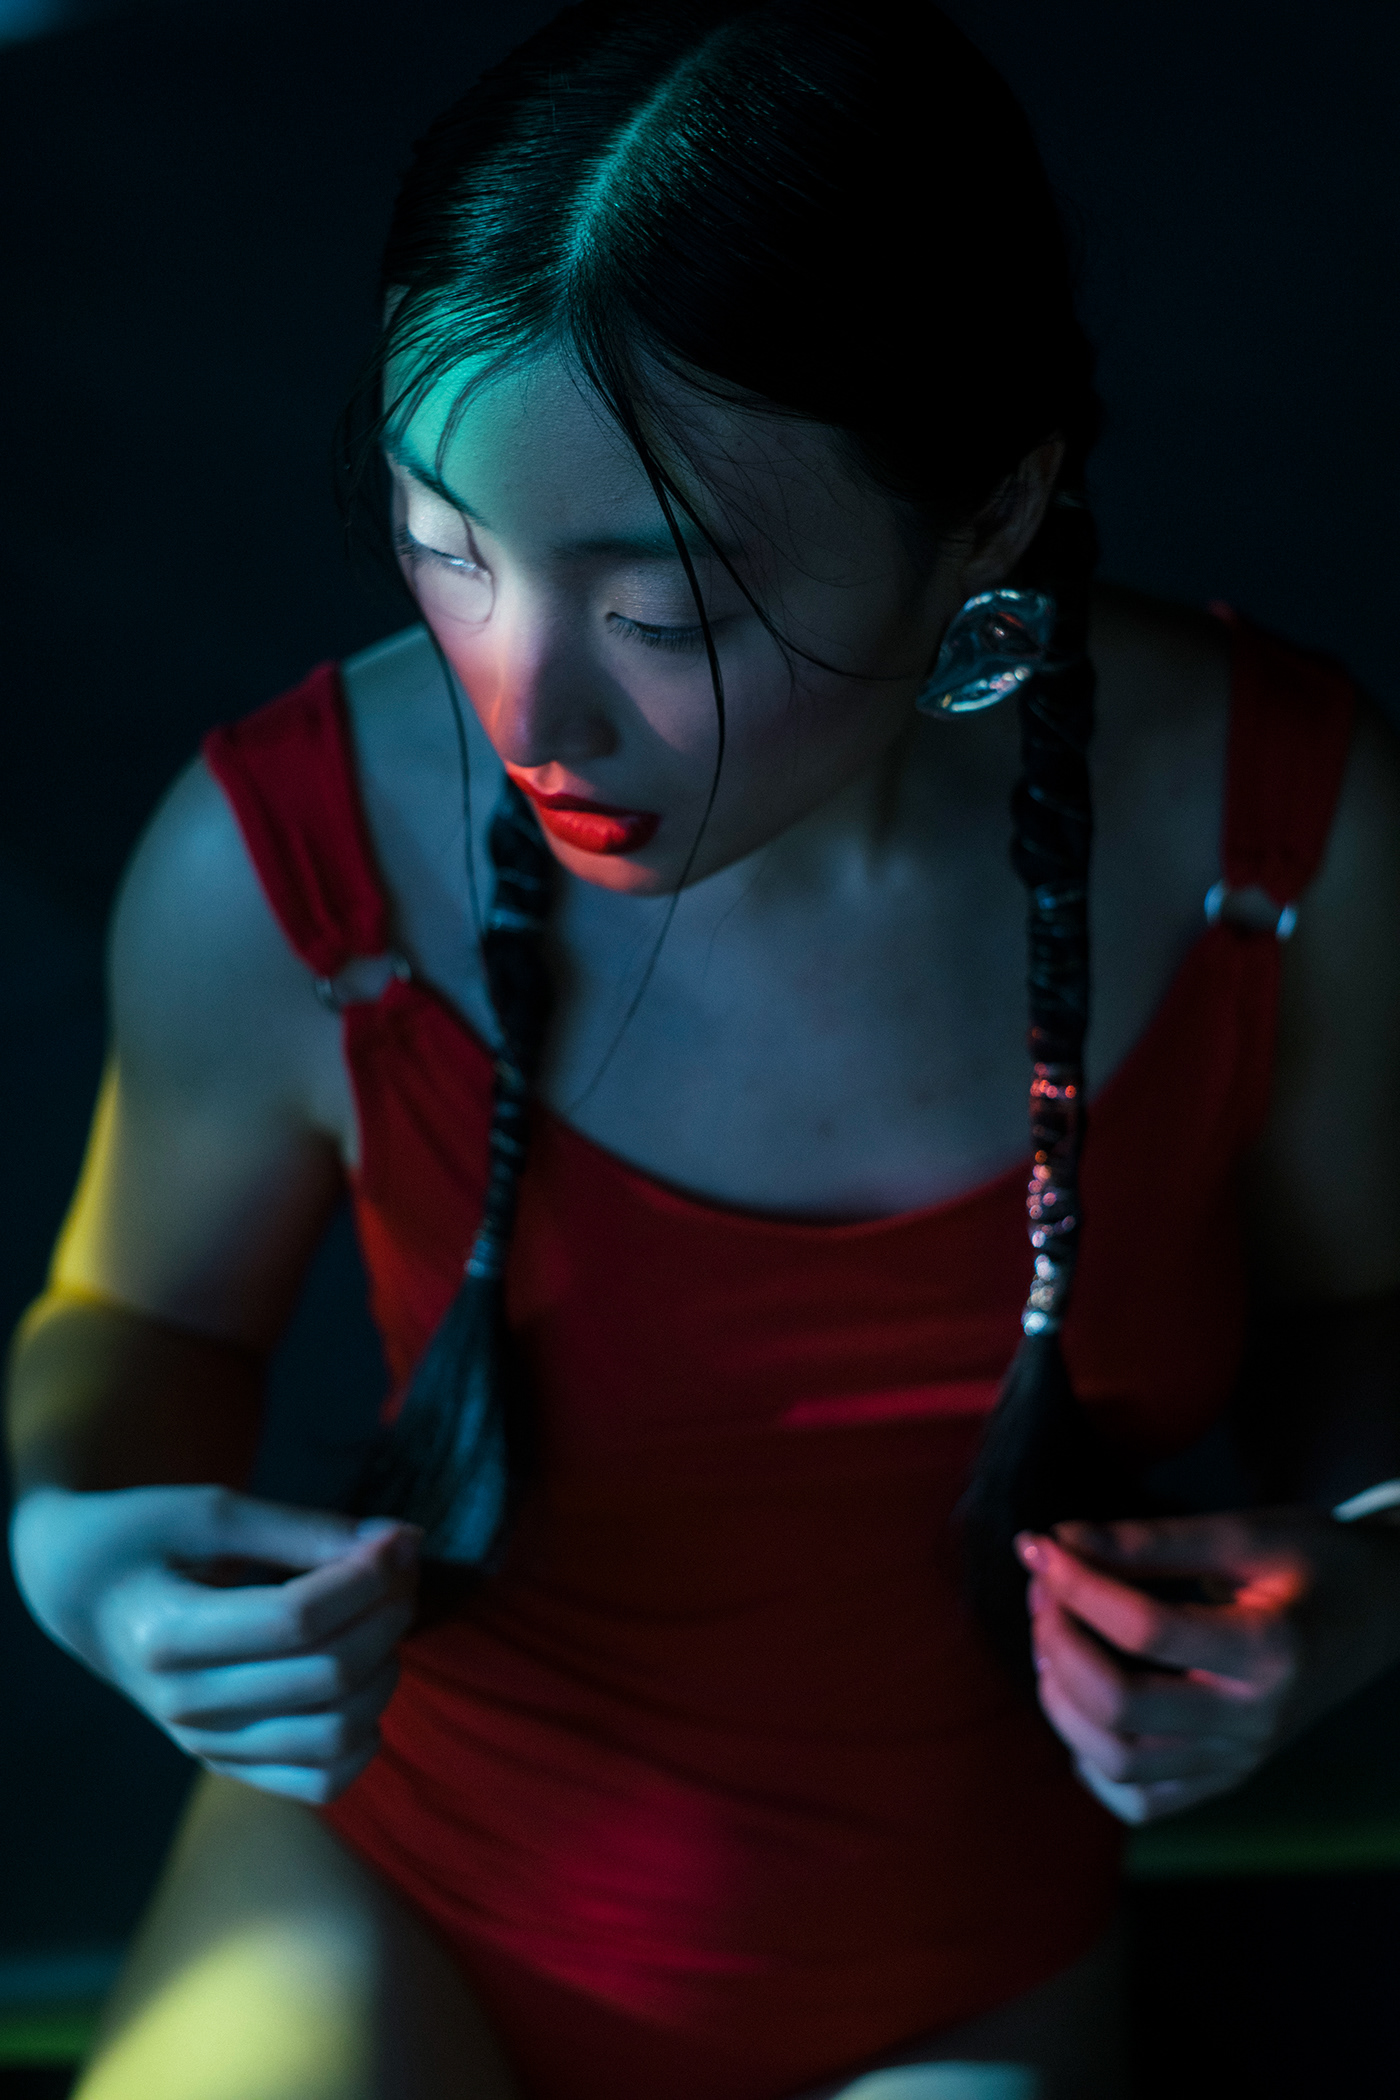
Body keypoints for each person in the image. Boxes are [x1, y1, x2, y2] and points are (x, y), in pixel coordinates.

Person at [8, 2, 1400, 2095]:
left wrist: (1361, 1578)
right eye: (446, 546)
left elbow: (1368, 1314)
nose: (523, 706)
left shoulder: (1276, 847)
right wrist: (91, 1552)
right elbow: (134, 1312)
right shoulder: (289, 863)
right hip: (378, 1899)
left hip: (957, 1964)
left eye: (661, 614)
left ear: (991, 511)